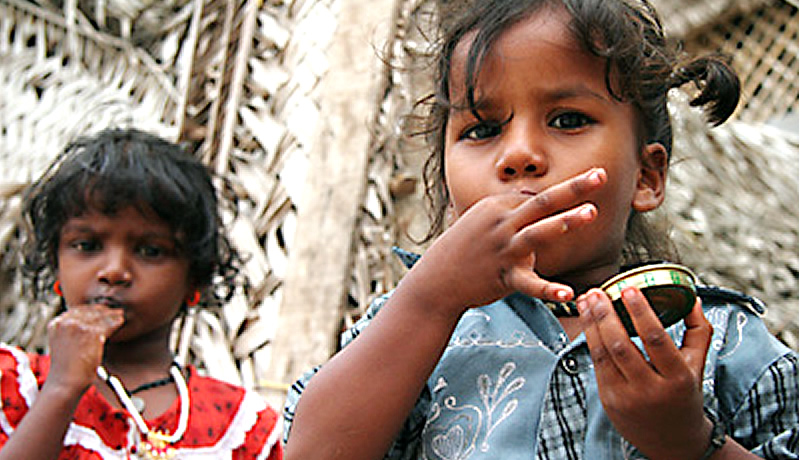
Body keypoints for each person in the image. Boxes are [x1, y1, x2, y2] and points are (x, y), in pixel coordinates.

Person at [282, 0, 798, 459]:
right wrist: (429, 301)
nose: (520, 155)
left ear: (646, 176)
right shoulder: (417, 330)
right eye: (482, 130)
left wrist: (687, 442)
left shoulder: (723, 343)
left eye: (568, 120)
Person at [0, 128, 283, 459]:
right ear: (56, 265)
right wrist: (62, 389)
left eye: (150, 251)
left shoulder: (244, 428)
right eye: (87, 246)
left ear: (195, 280)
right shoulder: (15, 387)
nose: (115, 271)